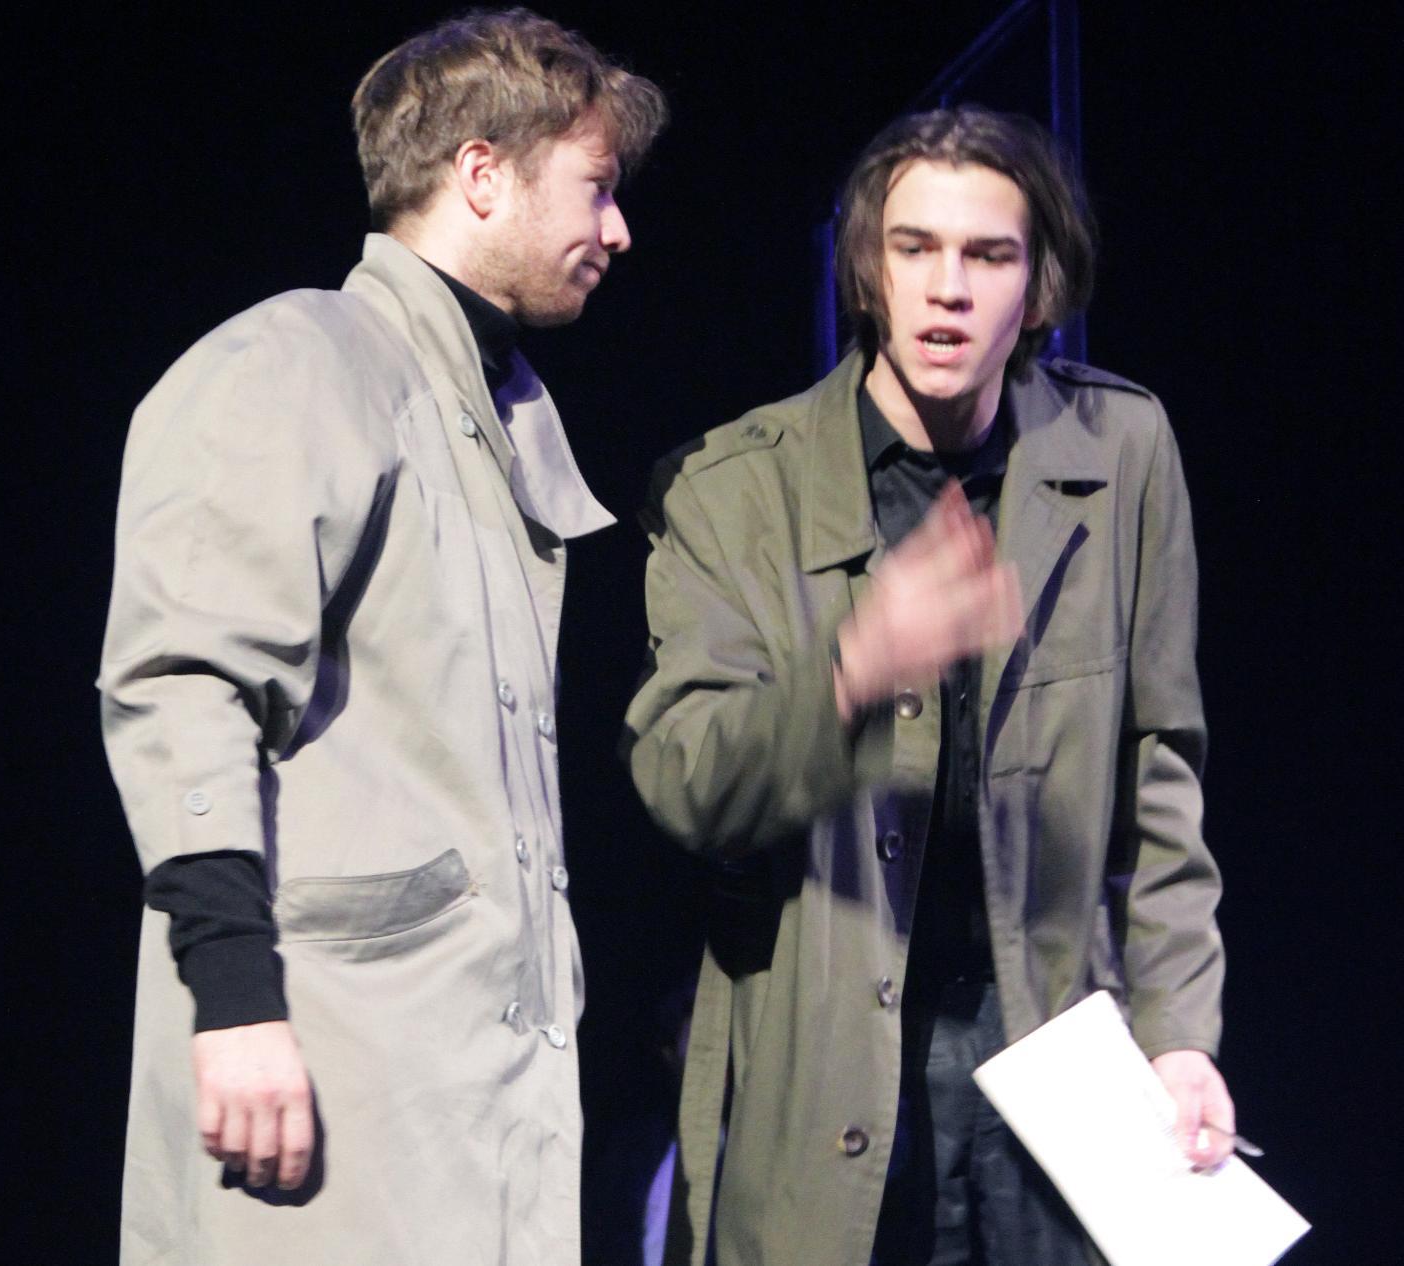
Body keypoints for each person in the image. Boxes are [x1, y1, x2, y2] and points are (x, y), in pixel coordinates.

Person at [98, 11, 665, 1263]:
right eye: (595, 186)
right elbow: (183, 683)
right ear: (480, 173)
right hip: (329, 1067)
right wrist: (232, 999)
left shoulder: (491, 413)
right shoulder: (301, 361)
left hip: (454, 1089)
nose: (618, 228)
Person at [625, 106, 1233, 1265]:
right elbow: (685, 786)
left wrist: (1178, 1035)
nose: (945, 288)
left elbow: (1159, 775)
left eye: (986, 255)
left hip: (1051, 1048)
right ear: (869, 270)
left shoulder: (1119, 451)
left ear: (1038, 289)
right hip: (826, 1056)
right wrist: (856, 664)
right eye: (914, 248)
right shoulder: (730, 489)